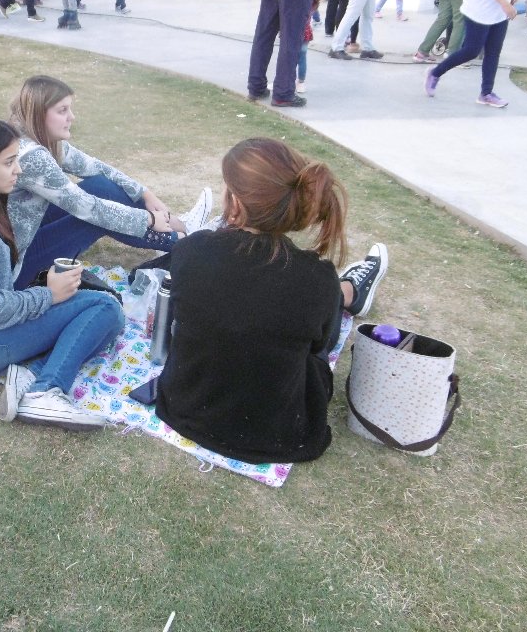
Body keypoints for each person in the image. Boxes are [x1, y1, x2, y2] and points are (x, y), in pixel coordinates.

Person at [154, 137, 388, 464]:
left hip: (185, 409)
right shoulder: (316, 278)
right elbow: (319, 345)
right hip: (277, 434)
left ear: (236, 204)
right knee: (319, 326)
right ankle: (348, 291)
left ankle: (347, 291)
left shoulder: (191, 251)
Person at [0, 116, 123, 431]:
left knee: (106, 319)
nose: (18, 170)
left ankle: (30, 374)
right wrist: (49, 294)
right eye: (9, 162)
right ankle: (45, 391)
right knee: (105, 308)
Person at [6, 75, 211, 289]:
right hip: (14, 268)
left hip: (27, 235)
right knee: (93, 218)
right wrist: (148, 219)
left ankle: (178, 225)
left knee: (99, 186)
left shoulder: (32, 136)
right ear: (39, 114)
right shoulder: (32, 156)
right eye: (62, 110)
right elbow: (89, 209)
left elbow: (97, 168)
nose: (72, 117)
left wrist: (145, 193)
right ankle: (184, 243)